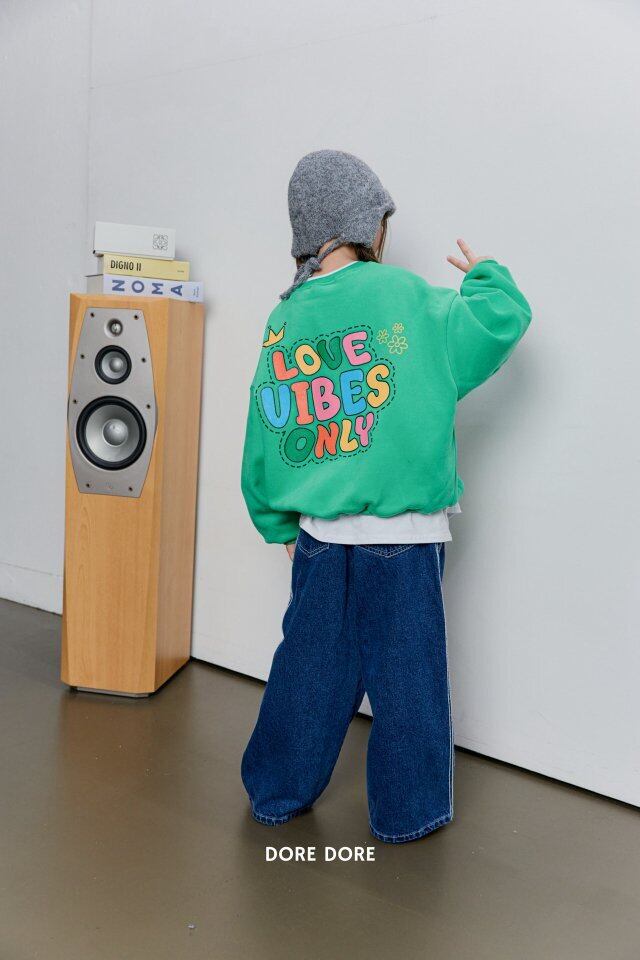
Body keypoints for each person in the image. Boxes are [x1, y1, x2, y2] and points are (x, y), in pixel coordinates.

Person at [240, 149, 531, 843]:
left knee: (308, 671)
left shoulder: (287, 318)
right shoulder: (411, 299)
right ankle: (408, 813)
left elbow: (265, 430)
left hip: (319, 536)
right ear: (367, 225)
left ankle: (277, 792)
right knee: (409, 683)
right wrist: (486, 274)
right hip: (406, 538)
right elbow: (501, 318)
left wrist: (276, 522)